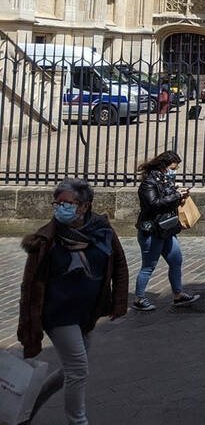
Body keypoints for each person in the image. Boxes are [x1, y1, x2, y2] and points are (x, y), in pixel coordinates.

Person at [18, 179, 127, 425]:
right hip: (58, 313)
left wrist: (119, 301)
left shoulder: (102, 229)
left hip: (87, 312)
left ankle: (26, 408)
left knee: (70, 369)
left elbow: (119, 263)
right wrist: (28, 323)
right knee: (78, 369)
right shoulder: (46, 238)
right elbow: (30, 284)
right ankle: (78, 421)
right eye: (57, 203)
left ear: (84, 206)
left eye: (67, 203)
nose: (60, 208)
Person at [131, 151, 200, 311]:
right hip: (152, 230)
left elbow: (168, 200)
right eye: (172, 168)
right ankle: (139, 298)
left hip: (167, 229)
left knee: (176, 260)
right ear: (163, 166)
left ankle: (178, 295)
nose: (174, 172)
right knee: (148, 266)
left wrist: (180, 195)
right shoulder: (148, 183)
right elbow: (153, 204)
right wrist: (175, 195)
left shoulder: (165, 180)